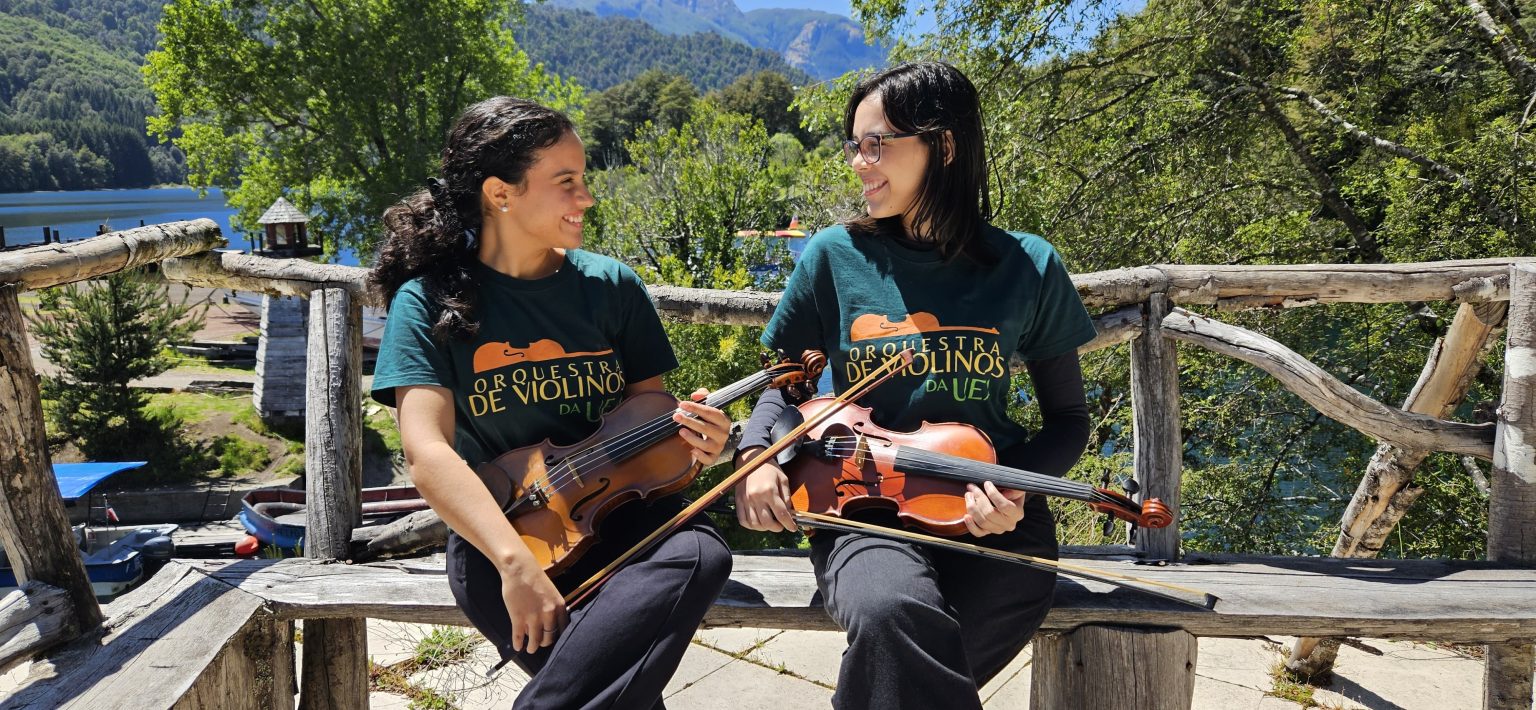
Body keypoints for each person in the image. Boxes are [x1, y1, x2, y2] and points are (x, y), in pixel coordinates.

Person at [732, 62, 1098, 709]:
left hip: (995, 516)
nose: (858, 162)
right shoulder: (833, 256)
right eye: (854, 145)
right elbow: (782, 387)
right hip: (865, 507)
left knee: (923, 650)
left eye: (876, 144)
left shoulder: (1028, 264)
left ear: (944, 146)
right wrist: (756, 458)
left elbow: (1068, 418)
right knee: (889, 610)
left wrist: (1013, 486)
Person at [369, 96, 733, 709]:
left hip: (623, 526)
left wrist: (699, 439)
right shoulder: (426, 301)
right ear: (500, 193)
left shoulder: (609, 286)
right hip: (503, 537)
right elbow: (427, 454)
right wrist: (515, 565)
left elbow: (652, 414)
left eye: (582, 180)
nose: (585, 198)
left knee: (697, 550)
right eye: (566, 182)